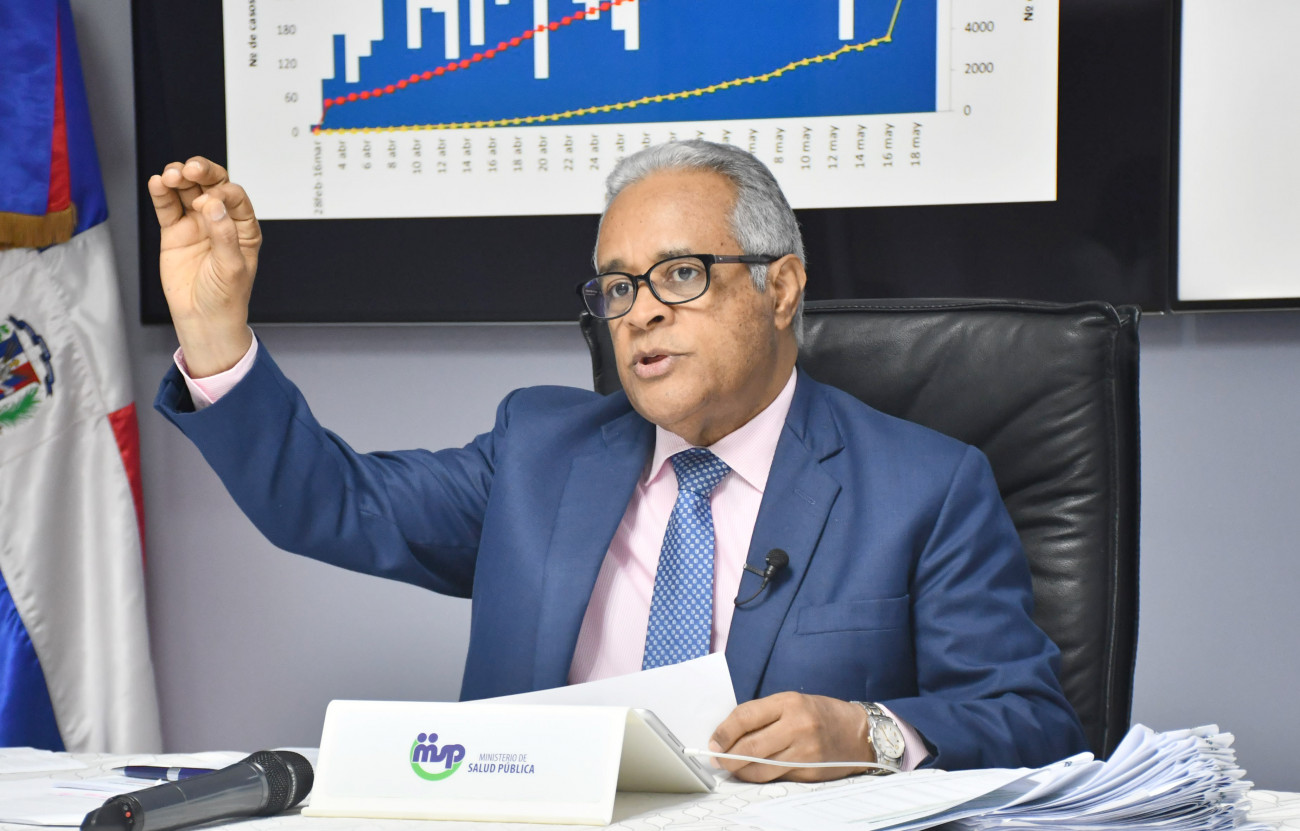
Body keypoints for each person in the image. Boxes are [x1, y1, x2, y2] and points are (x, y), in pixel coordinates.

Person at [148, 140, 1087, 782]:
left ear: (781, 288)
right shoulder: (539, 453)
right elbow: (328, 501)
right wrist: (214, 330)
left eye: (681, 274)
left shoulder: (926, 486)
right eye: (617, 287)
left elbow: (1036, 724)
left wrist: (868, 732)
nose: (641, 312)